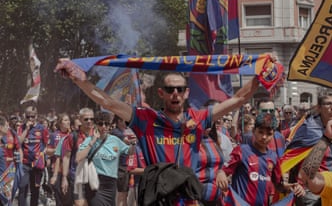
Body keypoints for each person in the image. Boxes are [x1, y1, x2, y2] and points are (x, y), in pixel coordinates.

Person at [55, 60, 259, 202]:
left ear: (187, 93)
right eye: (170, 90)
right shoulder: (146, 119)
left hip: (188, 199)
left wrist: (262, 75)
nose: (175, 94)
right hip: (158, 199)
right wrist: (77, 78)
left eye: (180, 89)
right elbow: (107, 102)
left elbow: (238, 99)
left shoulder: (198, 119)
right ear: (161, 93)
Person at [216, 113, 304, 205]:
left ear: (273, 134)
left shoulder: (273, 157)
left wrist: (291, 187)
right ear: (254, 131)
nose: (264, 137)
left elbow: (278, 185)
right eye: (261, 132)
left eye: (269, 134)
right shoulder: (241, 151)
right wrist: (221, 173)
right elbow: (223, 171)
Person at [286, 91, 332, 206]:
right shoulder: (309, 128)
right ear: (319, 108)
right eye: (328, 104)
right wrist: (298, 183)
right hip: (310, 190)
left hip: (331, 186)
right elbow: (292, 155)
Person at [76, 111, 133, 206]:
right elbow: (79, 157)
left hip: (111, 184)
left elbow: (130, 151)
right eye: (100, 124)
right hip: (95, 182)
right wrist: (93, 141)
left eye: (106, 124)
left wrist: (133, 143)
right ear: (96, 125)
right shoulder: (89, 140)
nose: (103, 127)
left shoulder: (115, 140)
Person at [61, 108, 94, 206]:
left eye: (91, 119)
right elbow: (66, 157)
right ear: (80, 119)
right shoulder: (73, 136)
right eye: (86, 119)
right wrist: (64, 177)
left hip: (94, 178)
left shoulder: (97, 134)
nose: (89, 121)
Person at [17, 105, 49, 206]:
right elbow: (18, 143)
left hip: (37, 165)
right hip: (25, 164)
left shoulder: (42, 128)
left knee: (35, 190)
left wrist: (44, 156)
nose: (30, 119)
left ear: (36, 116)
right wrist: (26, 129)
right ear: (25, 116)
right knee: (23, 188)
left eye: (32, 116)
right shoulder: (21, 128)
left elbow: (47, 145)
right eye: (28, 116)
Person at [110, 115, 138, 206]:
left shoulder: (123, 131)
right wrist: (136, 140)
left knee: (125, 194)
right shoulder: (116, 132)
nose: (126, 124)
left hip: (128, 165)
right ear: (118, 121)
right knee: (121, 194)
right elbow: (127, 141)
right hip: (121, 166)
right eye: (124, 121)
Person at [47, 113, 71, 206]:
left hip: (70, 170)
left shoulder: (73, 134)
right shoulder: (54, 135)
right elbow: (47, 150)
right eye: (65, 120)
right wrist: (57, 149)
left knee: (69, 198)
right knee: (59, 197)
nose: (68, 122)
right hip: (57, 169)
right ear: (60, 123)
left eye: (68, 120)